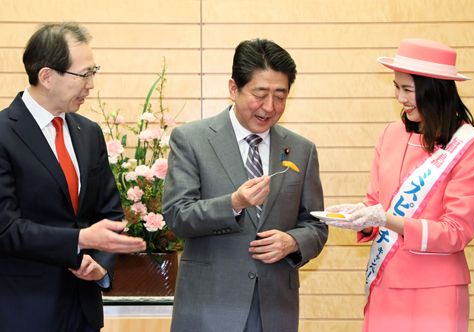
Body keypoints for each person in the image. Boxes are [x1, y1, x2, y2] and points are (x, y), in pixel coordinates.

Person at [325, 38, 474, 331]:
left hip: (435, 291)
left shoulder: (471, 147)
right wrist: (360, 219)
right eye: (396, 87)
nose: (399, 98)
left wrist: (386, 218)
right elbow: (375, 202)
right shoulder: (390, 134)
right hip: (385, 282)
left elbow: (456, 231)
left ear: (434, 91)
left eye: (407, 89)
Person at [163, 38, 328, 332]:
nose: (269, 107)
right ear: (233, 89)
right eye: (260, 94)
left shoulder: (302, 149)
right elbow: (178, 216)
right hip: (209, 307)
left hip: (274, 309)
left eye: (280, 95)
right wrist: (234, 203)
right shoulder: (192, 140)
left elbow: (315, 226)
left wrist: (293, 242)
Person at [0, 23, 146, 332]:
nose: (91, 85)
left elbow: (109, 216)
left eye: (94, 72)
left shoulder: (88, 133)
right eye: (84, 74)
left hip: (83, 312)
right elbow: (6, 229)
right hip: (22, 311)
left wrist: (100, 266)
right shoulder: (3, 134)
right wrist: (79, 240)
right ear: (47, 76)